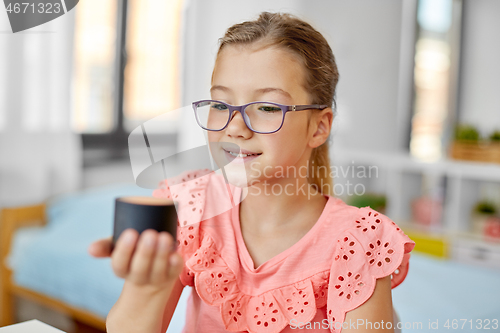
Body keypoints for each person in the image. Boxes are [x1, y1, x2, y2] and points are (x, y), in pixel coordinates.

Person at [88, 12, 415, 333]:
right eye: (220, 105)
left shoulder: (358, 242)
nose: (235, 128)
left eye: (267, 108)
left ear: (319, 127)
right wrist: (147, 290)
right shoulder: (192, 208)